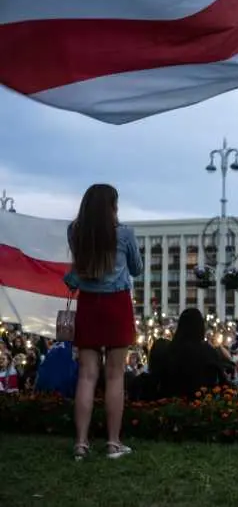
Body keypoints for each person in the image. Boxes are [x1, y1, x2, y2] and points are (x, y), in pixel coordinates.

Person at [64, 184, 142, 461]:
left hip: (89, 305)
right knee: (115, 375)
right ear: (113, 206)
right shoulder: (124, 234)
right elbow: (137, 269)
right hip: (117, 305)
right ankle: (112, 443)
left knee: (86, 375)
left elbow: (78, 268)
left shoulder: (75, 232)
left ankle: (81, 444)